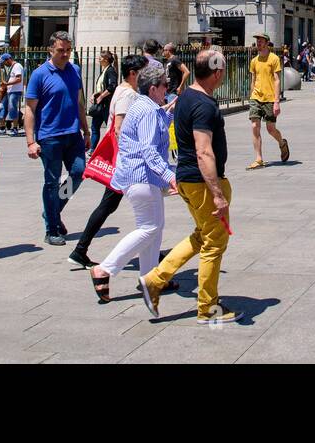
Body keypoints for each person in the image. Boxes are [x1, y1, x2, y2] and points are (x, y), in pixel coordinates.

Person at [142, 49, 242, 324]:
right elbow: (203, 151)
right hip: (202, 182)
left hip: (186, 179)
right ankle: (207, 307)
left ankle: (155, 279)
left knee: (202, 235)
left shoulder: (185, 96)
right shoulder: (205, 106)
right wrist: (218, 194)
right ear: (218, 73)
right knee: (214, 243)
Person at [89, 61, 175, 304]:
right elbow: (149, 149)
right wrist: (169, 175)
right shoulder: (147, 110)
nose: (166, 89)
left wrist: (168, 112)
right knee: (149, 228)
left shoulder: (146, 107)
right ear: (153, 89)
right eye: (164, 85)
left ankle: (149, 278)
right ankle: (105, 268)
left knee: (153, 227)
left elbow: (154, 131)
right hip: (141, 175)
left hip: (140, 176)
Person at [69, 54, 149, 269]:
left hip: (125, 162)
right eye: (144, 72)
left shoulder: (125, 91)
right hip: (126, 163)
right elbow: (119, 128)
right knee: (138, 208)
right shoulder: (128, 95)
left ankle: (81, 249)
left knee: (111, 206)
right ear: (133, 73)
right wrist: (133, 156)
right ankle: (81, 250)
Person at [25, 31, 89, 245]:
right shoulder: (40, 74)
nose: (65, 54)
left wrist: (86, 130)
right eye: (61, 50)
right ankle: (52, 228)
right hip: (50, 136)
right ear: (51, 50)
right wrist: (31, 141)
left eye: (68, 50)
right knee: (51, 182)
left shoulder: (75, 70)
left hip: (73, 134)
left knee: (79, 172)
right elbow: (30, 109)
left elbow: (79, 103)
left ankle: (53, 210)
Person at [246, 33, 289, 169]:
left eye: (261, 41)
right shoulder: (254, 61)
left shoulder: (274, 59)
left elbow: (277, 80)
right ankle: (258, 159)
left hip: (270, 98)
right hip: (256, 97)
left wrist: (277, 101)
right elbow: (253, 80)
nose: (258, 43)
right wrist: (252, 95)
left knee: (270, 129)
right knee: (254, 126)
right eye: (257, 41)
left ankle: (282, 143)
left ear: (266, 43)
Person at [88, 51, 118, 153]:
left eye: (100, 57)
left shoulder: (110, 71)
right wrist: (95, 94)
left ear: (105, 59)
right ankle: (92, 149)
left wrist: (101, 96)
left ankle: (115, 149)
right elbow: (102, 87)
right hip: (100, 105)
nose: (98, 59)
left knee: (110, 128)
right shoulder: (104, 70)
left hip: (106, 105)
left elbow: (112, 86)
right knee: (95, 127)